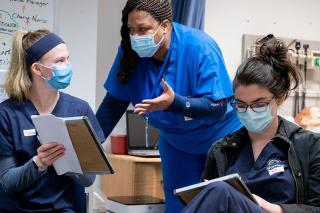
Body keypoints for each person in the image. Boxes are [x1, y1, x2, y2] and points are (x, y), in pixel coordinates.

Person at [96, 0, 242, 212]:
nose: (136, 37)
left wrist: (176, 103)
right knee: (179, 205)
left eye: (143, 29)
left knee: (222, 204)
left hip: (219, 138)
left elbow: (217, 107)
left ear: (165, 25)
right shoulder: (130, 53)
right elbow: (113, 105)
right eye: (131, 30)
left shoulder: (199, 46)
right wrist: (88, 144)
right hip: (177, 142)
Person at [182, 35, 320, 213]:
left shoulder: (309, 146)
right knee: (215, 192)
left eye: (259, 104)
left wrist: (275, 208)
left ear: (280, 98)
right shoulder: (221, 150)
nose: (249, 111)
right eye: (240, 105)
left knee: (220, 191)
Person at [0, 29, 105, 212]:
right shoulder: (7, 114)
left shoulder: (79, 110)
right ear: (37, 69)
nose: (67, 66)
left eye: (67, 59)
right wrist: (39, 163)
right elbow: (7, 182)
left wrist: (68, 158)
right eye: (59, 61)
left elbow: (89, 179)